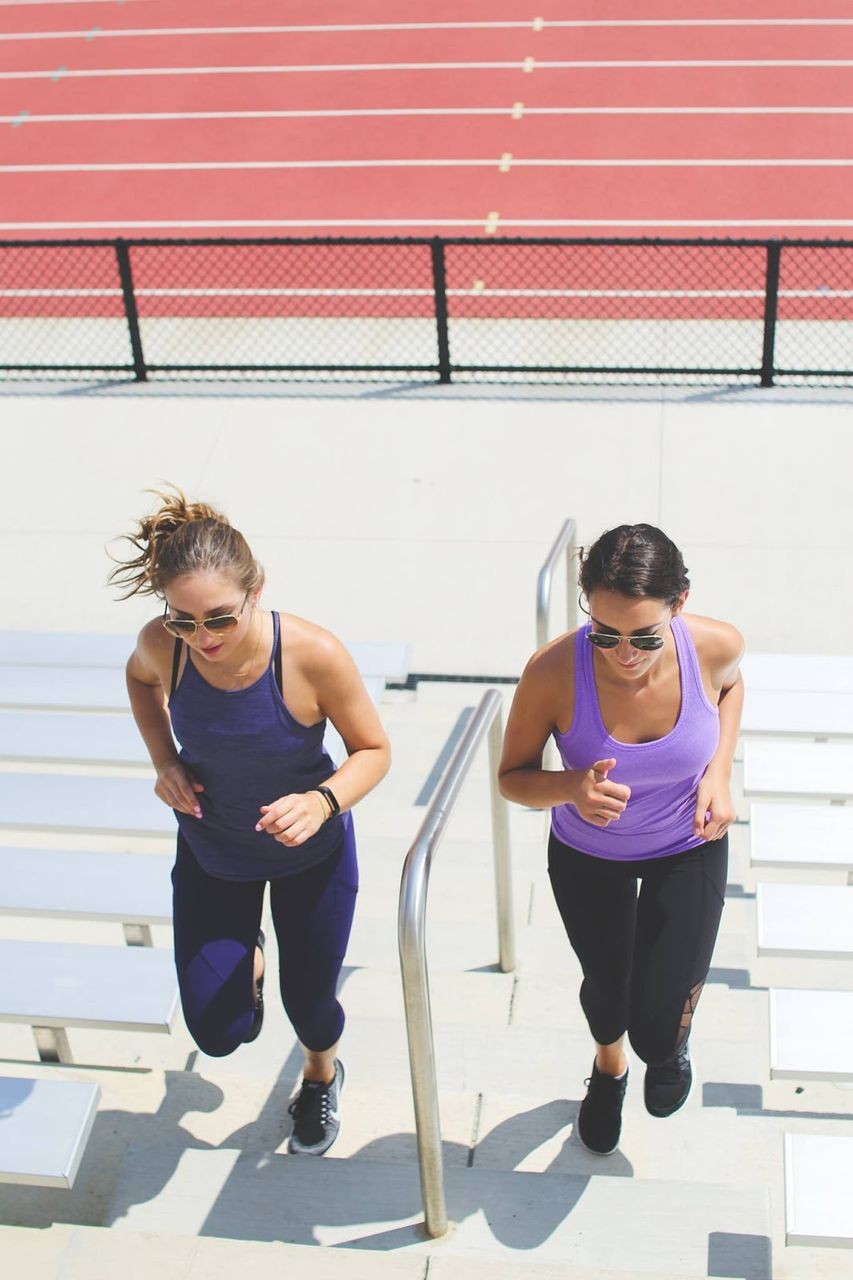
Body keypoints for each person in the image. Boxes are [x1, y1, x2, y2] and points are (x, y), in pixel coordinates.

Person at [109, 487, 390, 1156]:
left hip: (310, 859)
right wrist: (164, 761)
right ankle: (249, 959)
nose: (201, 638)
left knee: (311, 1005)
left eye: (219, 619)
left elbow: (373, 752)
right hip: (214, 853)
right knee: (216, 1032)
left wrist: (322, 800)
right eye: (184, 621)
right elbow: (138, 681)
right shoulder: (162, 647)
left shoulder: (310, 654)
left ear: (256, 590)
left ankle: (321, 1075)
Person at [498, 524, 743, 1155]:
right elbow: (512, 779)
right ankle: (608, 1070)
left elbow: (732, 685)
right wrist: (571, 787)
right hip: (589, 854)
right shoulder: (553, 671)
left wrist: (719, 770)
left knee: (657, 1030)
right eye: (604, 633)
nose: (623, 651)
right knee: (608, 995)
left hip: (688, 843)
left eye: (643, 636)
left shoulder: (714, 646)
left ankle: (664, 1048)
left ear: (678, 605)